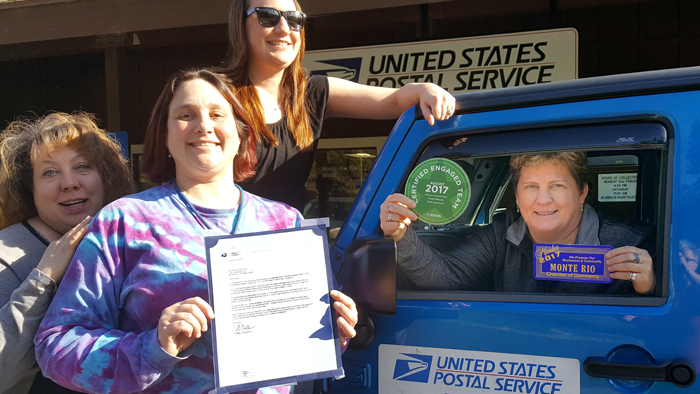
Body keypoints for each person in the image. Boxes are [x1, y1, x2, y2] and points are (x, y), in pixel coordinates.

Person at [35, 69, 358, 394]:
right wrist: (154, 347)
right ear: (165, 136)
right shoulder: (125, 222)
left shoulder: (286, 223)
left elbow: (306, 345)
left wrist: (333, 331)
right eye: (186, 115)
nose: (203, 125)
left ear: (241, 133)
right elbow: (55, 345)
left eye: (217, 114)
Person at [223, 0, 456, 210]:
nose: (284, 29)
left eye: (294, 20)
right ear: (240, 24)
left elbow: (392, 100)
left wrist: (425, 89)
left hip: (289, 245)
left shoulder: (312, 94)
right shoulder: (215, 95)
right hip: (225, 247)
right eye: (268, 16)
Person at [380, 152, 656, 294]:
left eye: (557, 186)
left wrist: (650, 287)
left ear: (582, 191)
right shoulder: (502, 234)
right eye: (531, 186)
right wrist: (401, 236)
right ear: (517, 195)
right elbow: (447, 276)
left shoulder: (629, 242)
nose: (543, 200)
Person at [0, 112, 133, 394]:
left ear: (105, 178)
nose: (69, 183)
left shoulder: (128, 243)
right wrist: (43, 278)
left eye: (82, 166)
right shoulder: (5, 254)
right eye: (49, 172)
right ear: (29, 188)